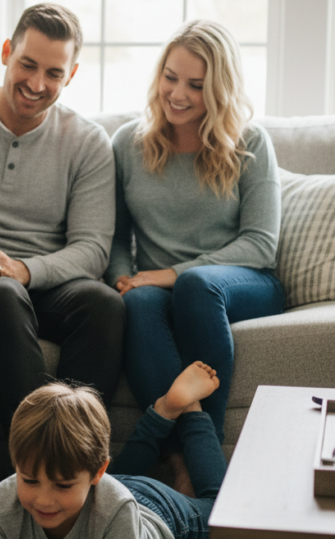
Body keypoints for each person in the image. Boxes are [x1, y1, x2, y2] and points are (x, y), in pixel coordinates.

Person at [105, 20, 284, 447]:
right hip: (159, 289)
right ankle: (186, 457)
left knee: (196, 285)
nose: (177, 93)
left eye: (196, 85)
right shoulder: (128, 143)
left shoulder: (250, 143)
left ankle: (207, 442)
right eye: (170, 77)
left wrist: (171, 273)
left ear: (220, 90)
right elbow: (116, 238)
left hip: (240, 284)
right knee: (139, 302)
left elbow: (260, 244)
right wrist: (124, 279)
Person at [0, 3, 124, 441]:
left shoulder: (87, 141)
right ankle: (31, 456)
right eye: (27, 64)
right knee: (3, 293)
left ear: (71, 75)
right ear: (6, 52)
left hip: (41, 281)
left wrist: (24, 269)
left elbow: (92, 249)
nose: (36, 84)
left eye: (53, 73)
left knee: (103, 303)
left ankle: (76, 454)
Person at [0, 361, 226, 539]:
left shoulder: (118, 513)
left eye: (62, 485)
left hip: (153, 509)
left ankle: (191, 413)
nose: (43, 500)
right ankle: (164, 412)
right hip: (98, 491)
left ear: (97, 473)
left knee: (222, 512)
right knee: (101, 480)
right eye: (30, 481)